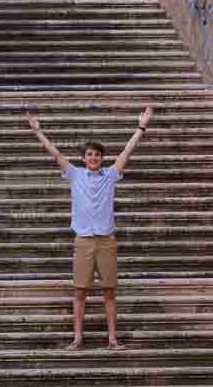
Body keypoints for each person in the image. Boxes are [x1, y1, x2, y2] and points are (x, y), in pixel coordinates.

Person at [28, 106, 153, 350]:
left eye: (97, 154)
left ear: (101, 158)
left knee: (109, 292)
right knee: (80, 292)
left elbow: (127, 151)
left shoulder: (110, 175)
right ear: (84, 158)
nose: (93, 158)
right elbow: (55, 154)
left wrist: (141, 127)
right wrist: (38, 132)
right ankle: (77, 337)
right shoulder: (75, 175)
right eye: (89, 154)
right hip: (84, 240)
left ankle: (112, 339)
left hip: (106, 240)